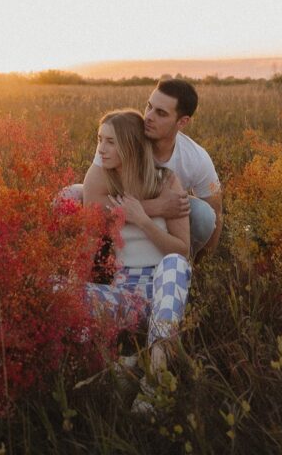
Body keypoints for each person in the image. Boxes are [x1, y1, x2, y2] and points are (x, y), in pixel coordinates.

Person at [83, 109, 192, 408]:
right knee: (56, 289)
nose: (101, 149)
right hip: (124, 295)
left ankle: (155, 377)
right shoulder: (107, 186)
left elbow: (182, 249)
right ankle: (114, 363)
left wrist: (142, 219)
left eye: (110, 142)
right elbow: (87, 219)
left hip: (162, 291)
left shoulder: (167, 181)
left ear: (129, 146)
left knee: (175, 262)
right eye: (99, 140)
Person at [83, 78, 222, 258]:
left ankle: (185, 266)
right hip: (121, 202)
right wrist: (156, 207)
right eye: (149, 106)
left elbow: (216, 211)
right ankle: (102, 263)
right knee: (69, 196)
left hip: (167, 211)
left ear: (182, 122)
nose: (148, 116)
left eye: (161, 113)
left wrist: (206, 264)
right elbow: (91, 203)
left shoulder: (196, 158)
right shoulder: (123, 137)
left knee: (205, 215)